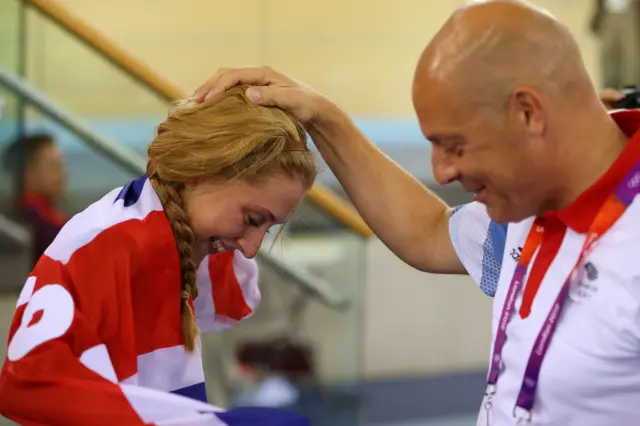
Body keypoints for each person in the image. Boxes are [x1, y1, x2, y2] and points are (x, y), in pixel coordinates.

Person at [193, 1, 640, 425]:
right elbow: (427, 231)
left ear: (527, 113)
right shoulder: (530, 204)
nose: (441, 172)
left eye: (454, 145)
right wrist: (324, 118)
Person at [0, 86, 316, 426]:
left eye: (267, 229)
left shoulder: (174, 235)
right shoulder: (105, 243)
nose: (251, 248)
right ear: (201, 171)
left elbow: (233, 302)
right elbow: (26, 384)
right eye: (253, 220)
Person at [1, 132, 68, 266]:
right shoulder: (29, 225)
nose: (63, 173)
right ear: (27, 173)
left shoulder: (49, 217)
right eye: (54, 166)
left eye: (61, 165)